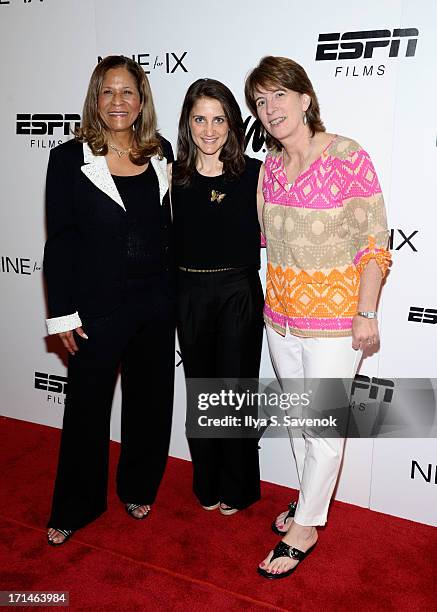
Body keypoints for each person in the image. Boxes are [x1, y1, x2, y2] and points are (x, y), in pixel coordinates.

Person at [244, 56, 391, 578]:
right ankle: (308, 500)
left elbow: (374, 245)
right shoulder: (269, 169)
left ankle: (305, 527)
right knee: (303, 422)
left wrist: (366, 311)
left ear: (305, 98)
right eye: (260, 101)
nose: (270, 108)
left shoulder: (349, 156)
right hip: (280, 319)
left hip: (334, 323)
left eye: (279, 95)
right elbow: (266, 243)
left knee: (324, 427)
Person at [44, 55, 175, 545]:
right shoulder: (68, 158)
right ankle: (76, 505)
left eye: (128, 92)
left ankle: (139, 485)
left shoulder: (160, 152)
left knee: (150, 402)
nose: (118, 102)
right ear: (95, 100)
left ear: (142, 101)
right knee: (86, 409)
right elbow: (59, 241)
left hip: (157, 303)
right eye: (108, 92)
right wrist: (61, 313)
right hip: (98, 306)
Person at [172, 78, 264, 515]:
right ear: (188, 124)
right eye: (199, 119)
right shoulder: (172, 175)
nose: (209, 130)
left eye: (218, 119)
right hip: (189, 293)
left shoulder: (257, 174)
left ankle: (239, 487)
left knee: (234, 393)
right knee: (202, 394)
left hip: (238, 293)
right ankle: (206, 482)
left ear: (232, 123)